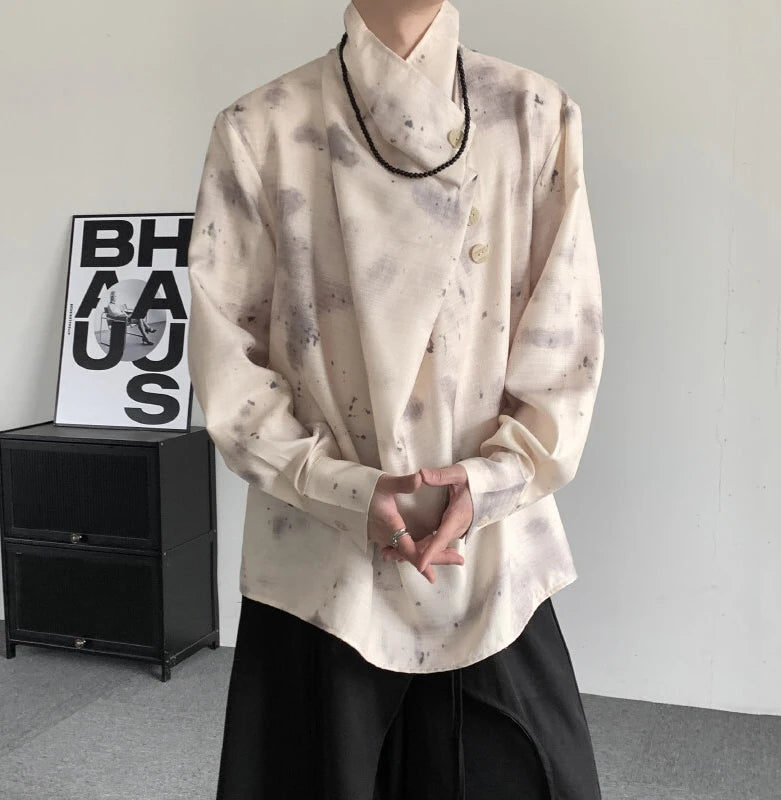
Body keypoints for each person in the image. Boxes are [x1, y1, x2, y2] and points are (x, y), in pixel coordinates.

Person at [187, 1, 605, 797]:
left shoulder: (535, 116)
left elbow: (564, 352)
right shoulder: (258, 129)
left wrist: (489, 482)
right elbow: (229, 365)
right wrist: (344, 488)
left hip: (489, 557)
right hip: (319, 568)